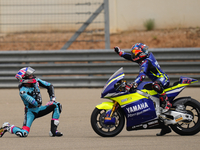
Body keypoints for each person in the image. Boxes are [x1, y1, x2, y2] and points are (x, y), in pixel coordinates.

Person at [114, 43, 172, 136]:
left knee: (155, 85)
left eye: (135, 54)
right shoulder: (144, 58)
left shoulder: (146, 62)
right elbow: (131, 57)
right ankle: (164, 126)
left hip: (163, 79)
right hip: (158, 79)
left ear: (139, 55)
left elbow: (142, 75)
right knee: (150, 96)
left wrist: (134, 84)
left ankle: (167, 102)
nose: (133, 56)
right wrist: (120, 53)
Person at [0, 67, 63, 138]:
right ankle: (7, 127)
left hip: (40, 109)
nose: (32, 76)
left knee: (57, 105)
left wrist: (52, 99)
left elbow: (49, 86)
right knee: (23, 133)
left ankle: (53, 131)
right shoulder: (23, 92)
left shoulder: (36, 81)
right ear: (25, 79)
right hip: (31, 113)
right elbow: (36, 103)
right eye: (30, 75)